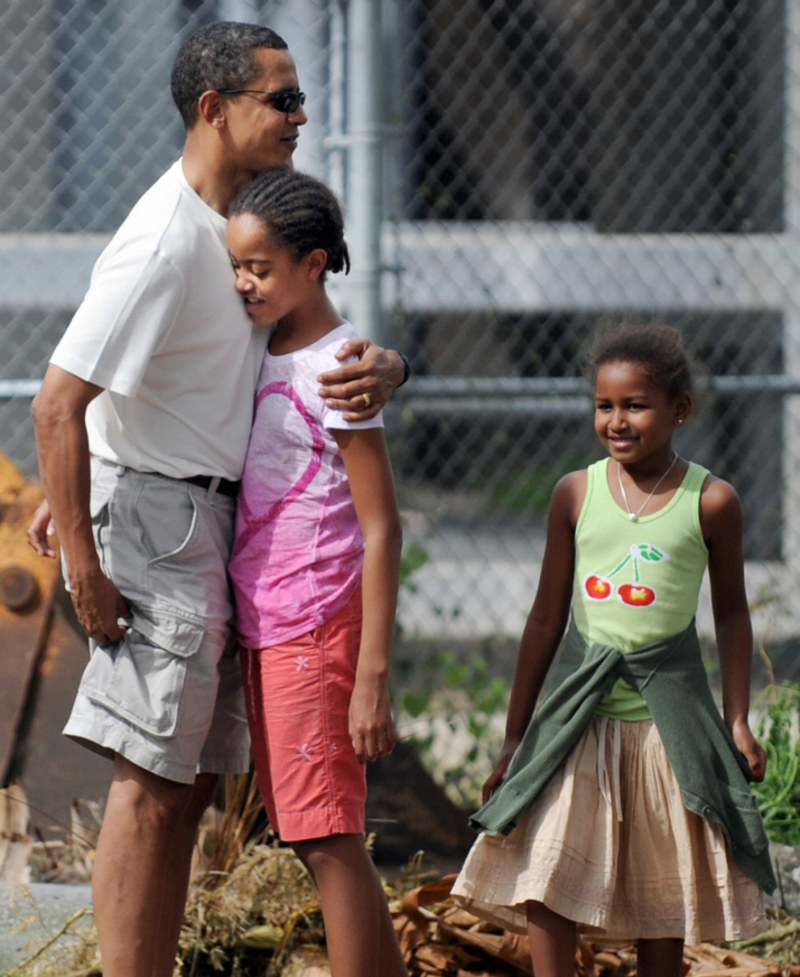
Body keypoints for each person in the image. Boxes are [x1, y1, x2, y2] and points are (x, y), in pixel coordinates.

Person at [29, 22, 407, 977]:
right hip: (161, 525)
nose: (301, 114)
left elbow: (299, 344)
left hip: (219, 525)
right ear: (215, 109)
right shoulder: (163, 240)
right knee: (151, 787)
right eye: (281, 99)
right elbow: (57, 401)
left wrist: (389, 364)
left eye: (299, 97)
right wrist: (83, 551)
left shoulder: (246, 227)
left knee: (188, 784)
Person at [451, 323, 775, 977]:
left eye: (636, 404)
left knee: (662, 885)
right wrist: (517, 734)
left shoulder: (710, 500)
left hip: (665, 726)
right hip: (579, 717)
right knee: (544, 867)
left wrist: (737, 716)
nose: (617, 420)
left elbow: (732, 612)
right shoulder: (576, 492)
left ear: (680, 409)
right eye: (605, 404)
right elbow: (546, 617)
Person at [226, 168, 408, 976]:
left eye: (259, 268)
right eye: (237, 266)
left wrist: (372, 676)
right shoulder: (262, 344)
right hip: (270, 624)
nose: (243, 282)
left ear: (315, 262)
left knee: (327, 835)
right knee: (314, 833)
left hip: (317, 625)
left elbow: (382, 525)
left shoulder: (342, 367)